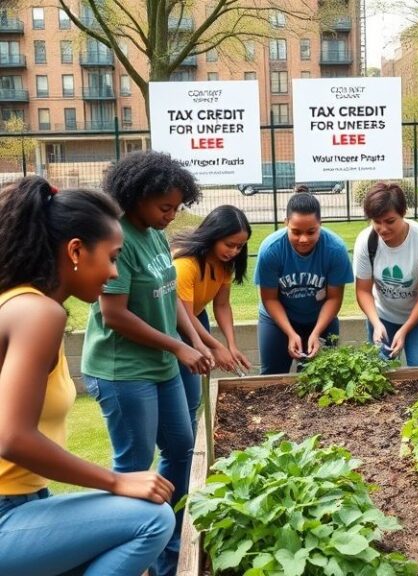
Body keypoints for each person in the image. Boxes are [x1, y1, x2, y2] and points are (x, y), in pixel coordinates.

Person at [0, 177, 175, 576]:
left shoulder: (18, 303)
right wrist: (115, 481)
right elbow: (12, 437)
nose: (114, 273)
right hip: (6, 513)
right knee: (153, 519)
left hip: (27, 500)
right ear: (76, 250)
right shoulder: (37, 313)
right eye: (112, 257)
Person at [81, 151, 212, 576]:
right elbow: (114, 314)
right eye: (164, 207)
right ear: (136, 196)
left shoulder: (154, 234)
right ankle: (137, 556)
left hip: (161, 365)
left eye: (176, 207)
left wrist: (193, 339)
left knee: (181, 449)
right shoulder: (117, 237)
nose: (171, 216)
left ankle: (170, 543)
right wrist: (178, 348)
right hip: (122, 372)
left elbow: (169, 295)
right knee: (133, 469)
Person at [171, 205, 253, 432]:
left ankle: (189, 435)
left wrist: (231, 346)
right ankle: (184, 439)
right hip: (176, 325)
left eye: (240, 246)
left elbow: (222, 305)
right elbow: (184, 316)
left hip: (197, 316)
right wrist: (216, 347)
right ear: (213, 235)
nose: (234, 251)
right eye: (229, 244)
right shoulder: (185, 264)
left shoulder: (225, 264)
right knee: (185, 395)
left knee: (194, 395)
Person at [255, 192, 354, 374]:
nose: (303, 239)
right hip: (277, 318)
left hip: (320, 318)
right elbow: (269, 298)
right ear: (286, 223)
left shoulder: (335, 249)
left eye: (311, 232)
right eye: (296, 232)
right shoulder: (271, 250)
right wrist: (290, 333)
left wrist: (316, 333)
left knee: (321, 376)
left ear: (320, 224)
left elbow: (334, 298)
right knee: (272, 376)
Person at [353, 182, 418, 365]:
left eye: (390, 221)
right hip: (382, 316)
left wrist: (404, 330)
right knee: (379, 371)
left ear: (403, 213)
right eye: (377, 222)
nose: (383, 228)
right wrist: (376, 323)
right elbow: (363, 290)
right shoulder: (366, 241)